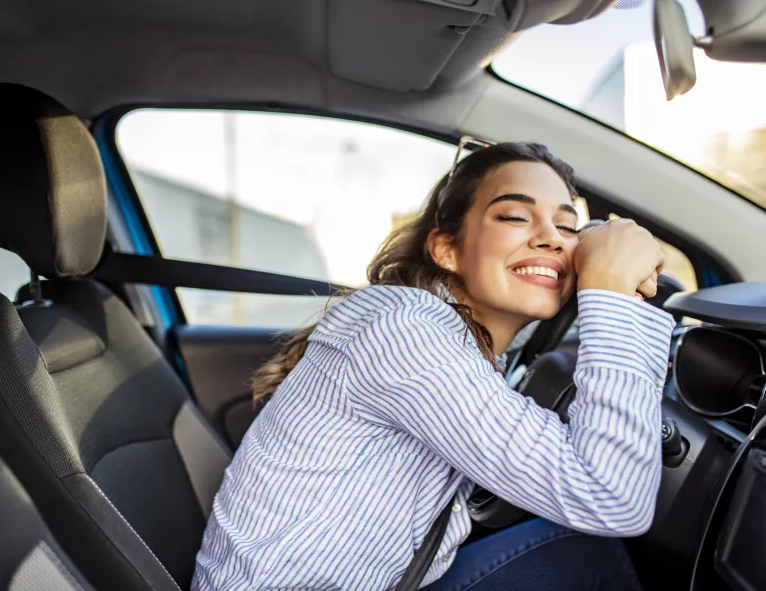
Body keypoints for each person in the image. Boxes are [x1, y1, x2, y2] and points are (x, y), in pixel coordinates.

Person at [192, 142, 674, 591]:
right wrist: (609, 291)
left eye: (567, 227)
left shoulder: (462, 336)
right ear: (447, 249)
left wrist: (606, 266)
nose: (551, 238)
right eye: (514, 216)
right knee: (587, 555)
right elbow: (612, 499)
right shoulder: (407, 330)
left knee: (577, 551)